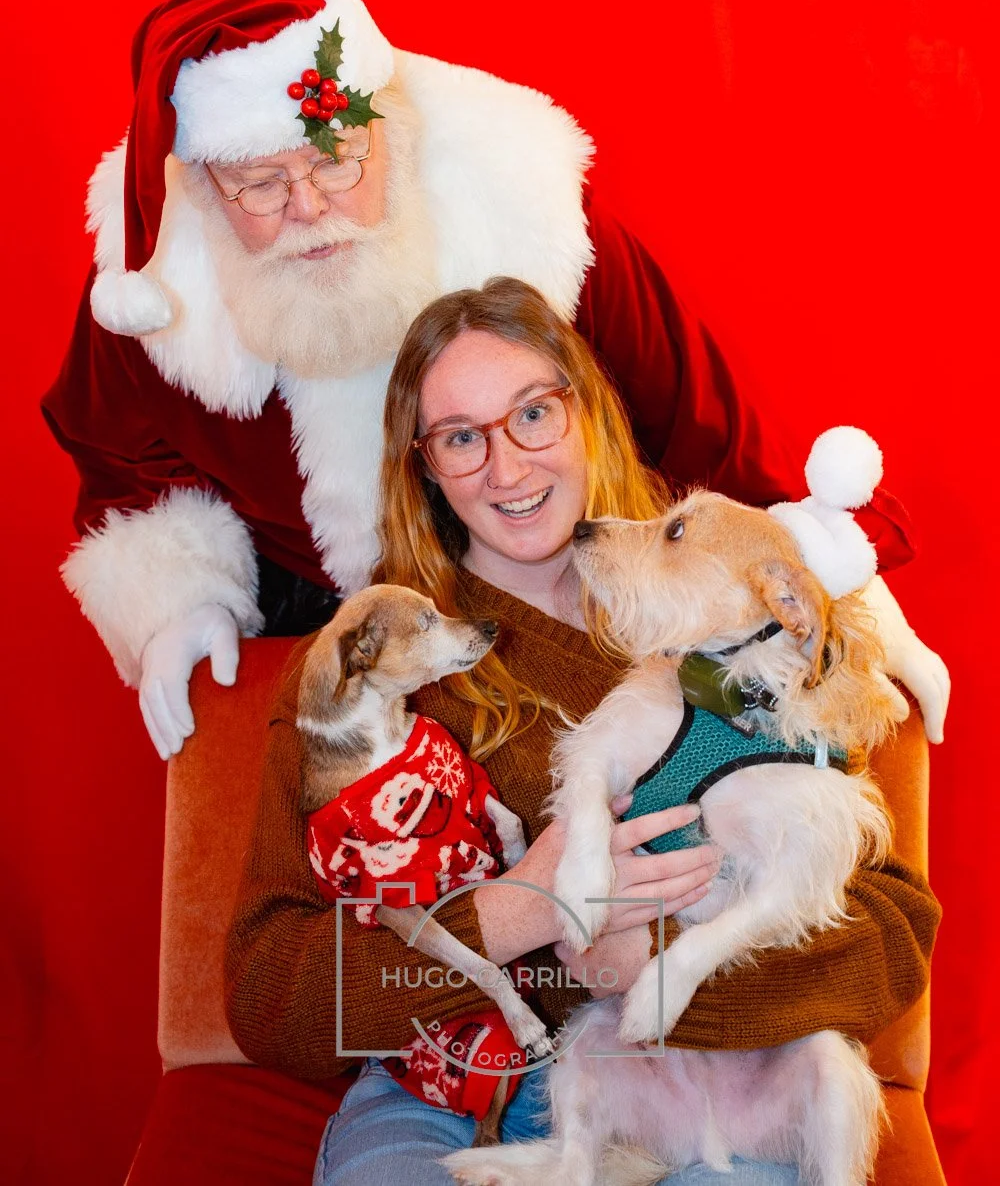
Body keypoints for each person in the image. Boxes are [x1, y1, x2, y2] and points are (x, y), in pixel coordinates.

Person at [40, 0, 945, 762]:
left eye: (335, 158)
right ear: (202, 193)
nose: (309, 206)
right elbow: (116, 458)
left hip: (558, 586)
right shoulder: (153, 290)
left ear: (389, 131)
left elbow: (700, 421)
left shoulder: (530, 214)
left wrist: (837, 591)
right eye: (261, 186)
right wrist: (183, 600)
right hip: (328, 625)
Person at [224, 278, 940, 1186]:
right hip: (448, 1095)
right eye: (460, 437)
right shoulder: (366, 668)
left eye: (532, 414)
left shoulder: (733, 612)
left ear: (587, 411)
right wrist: (518, 910)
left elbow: (890, 937)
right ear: (425, 467)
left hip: (719, 1080)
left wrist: (656, 963)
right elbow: (271, 995)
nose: (507, 466)